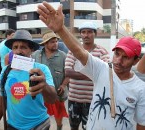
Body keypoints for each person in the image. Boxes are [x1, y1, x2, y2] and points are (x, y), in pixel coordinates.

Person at [37, 2, 145, 130]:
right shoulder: (102, 69)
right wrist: (60, 29)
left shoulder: (140, 89)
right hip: (75, 100)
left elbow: (141, 124)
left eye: (126, 57)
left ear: (136, 60)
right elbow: (79, 53)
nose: (118, 61)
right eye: (116, 53)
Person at [0, 30, 57, 130]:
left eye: (23, 47)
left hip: (39, 125)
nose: (18, 51)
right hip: (13, 126)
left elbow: (52, 99)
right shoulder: (6, 71)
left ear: (31, 50)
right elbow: (2, 99)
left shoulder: (41, 70)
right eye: (15, 47)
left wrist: (44, 86)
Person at [65, 22, 110, 130]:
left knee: (89, 128)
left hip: (93, 100)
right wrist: (93, 73)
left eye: (89, 32)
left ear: (95, 34)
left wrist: (79, 73)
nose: (86, 35)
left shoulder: (102, 52)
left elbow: (106, 72)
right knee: (73, 127)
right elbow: (68, 72)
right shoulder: (73, 51)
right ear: (80, 34)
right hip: (74, 98)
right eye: (83, 32)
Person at [32, 31, 68, 130]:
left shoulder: (63, 56)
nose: (55, 43)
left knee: (58, 115)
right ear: (45, 44)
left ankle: (59, 128)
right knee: (41, 115)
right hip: (41, 93)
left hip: (57, 93)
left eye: (56, 41)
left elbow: (68, 74)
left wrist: (63, 85)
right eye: (52, 42)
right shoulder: (36, 55)